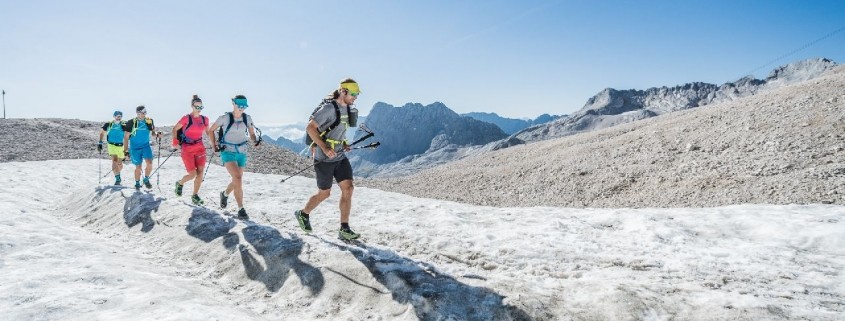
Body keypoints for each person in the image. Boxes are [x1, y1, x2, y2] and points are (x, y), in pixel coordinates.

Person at [295, 78, 361, 240]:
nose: (355, 97)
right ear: (343, 91)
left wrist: (344, 143)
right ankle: (303, 214)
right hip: (323, 158)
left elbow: (337, 129)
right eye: (353, 94)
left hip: (339, 156)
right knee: (324, 194)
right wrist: (324, 147)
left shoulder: (347, 109)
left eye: (357, 94)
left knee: (348, 188)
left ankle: (344, 228)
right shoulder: (328, 109)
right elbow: (310, 128)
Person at [207, 95, 260, 219]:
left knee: (237, 179)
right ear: (233, 104)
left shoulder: (247, 118)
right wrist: (214, 145)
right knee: (238, 177)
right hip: (228, 151)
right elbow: (211, 130)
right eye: (240, 105)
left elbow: (252, 134)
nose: (242, 108)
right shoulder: (224, 118)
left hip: (241, 152)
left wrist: (255, 141)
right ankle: (241, 208)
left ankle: (224, 194)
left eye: (244, 106)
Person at [172, 95, 210, 205]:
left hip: (200, 148)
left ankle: (195, 195)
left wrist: (216, 142)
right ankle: (180, 183)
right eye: (196, 107)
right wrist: (175, 142)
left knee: (200, 172)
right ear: (192, 106)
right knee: (192, 174)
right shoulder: (186, 118)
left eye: (200, 107)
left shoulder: (205, 119)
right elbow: (175, 129)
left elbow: (208, 133)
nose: (198, 109)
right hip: (187, 149)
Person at [123, 105, 161, 189]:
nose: (143, 115)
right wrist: (125, 151)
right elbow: (126, 137)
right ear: (137, 113)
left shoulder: (149, 121)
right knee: (138, 167)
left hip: (145, 146)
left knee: (150, 163)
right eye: (140, 113)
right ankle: (137, 183)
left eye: (144, 113)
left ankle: (146, 179)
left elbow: (153, 133)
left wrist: (158, 134)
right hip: (135, 148)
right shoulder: (131, 122)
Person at [98, 110, 126, 185]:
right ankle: (118, 178)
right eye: (117, 116)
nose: (118, 118)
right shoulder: (109, 124)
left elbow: (129, 134)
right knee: (114, 161)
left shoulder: (124, 125)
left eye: (120, 117)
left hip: (120, 146)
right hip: (111, 145)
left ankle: (117, 172)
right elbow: (102, 133)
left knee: (120, 164)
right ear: (114, 116)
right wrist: (100, 142)